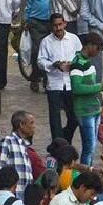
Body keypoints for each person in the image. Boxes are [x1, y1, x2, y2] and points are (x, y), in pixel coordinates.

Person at [38, 14, 83, 142]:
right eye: (55, 25)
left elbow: (80, 57)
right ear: (51, 26)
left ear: (64, 24)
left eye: (60, 24)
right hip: (54, 83)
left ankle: (65, 137)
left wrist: (73, 64)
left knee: (74, 117)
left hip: (71, 83)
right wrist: (53, 65)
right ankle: (58, 145)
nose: (58, 28)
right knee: (55, 119)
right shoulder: (46, 41)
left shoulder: (73, 39)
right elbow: (40, 61)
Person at [70, 33, 103, 166]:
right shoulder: (77, 63)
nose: (98, 52)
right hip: (85, 111)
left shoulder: (88, 61)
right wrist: (99, 87)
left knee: (91, 146)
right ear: (89, 46)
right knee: (89, 147)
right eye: (97, 48)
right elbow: (77, 88)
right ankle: (86, 174)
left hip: (94, 108)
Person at [24, 0, 60, 92]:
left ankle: (47, 79)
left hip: (53, 20)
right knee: (37, 50)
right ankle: (35, 77)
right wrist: (26, 19)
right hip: (37, 19)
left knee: (52, 51)